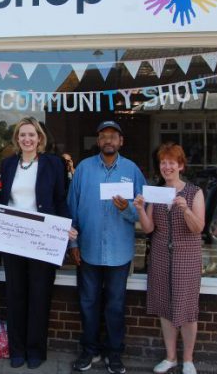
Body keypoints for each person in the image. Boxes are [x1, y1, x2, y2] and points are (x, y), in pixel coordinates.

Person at [68, 121, 147, 374]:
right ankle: (89, 351)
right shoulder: (84, 169)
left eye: (113, 136)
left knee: (115, 306)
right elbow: (72, 207)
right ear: (98, 141)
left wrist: (127, 209)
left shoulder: (132, 171)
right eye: (103, 136)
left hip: (119, 252)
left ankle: (114, 354)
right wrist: (73, 243)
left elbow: (144, 211)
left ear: (121, 141)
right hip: (88, 249)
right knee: (88, 303)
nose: (108, 140)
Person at [0, 116, 76, 370]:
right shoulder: (8, 164)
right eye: (22, 135)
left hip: (42, 239)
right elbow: (2, 198)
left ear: (39, 138)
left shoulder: (53, 164)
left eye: (31, 134)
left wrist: (67, 225)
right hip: (13, 239)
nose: (27, 139)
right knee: (15, 295)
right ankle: (17, 350)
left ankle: (35, 351)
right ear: (17, 139)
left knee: (40, 296)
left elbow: (60, 199)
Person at [134, 143, 205, 374]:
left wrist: (185, 209)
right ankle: (170, 357)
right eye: (163, 162)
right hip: (161, 254)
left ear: (181, 166)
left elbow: (198, 228)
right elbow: (148, 228)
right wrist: (140, 209)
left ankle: (188, 360)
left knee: (187, 309)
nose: (167, 167)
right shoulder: (156, 192)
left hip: (187, 255)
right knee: (164, 306)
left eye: (172, 162)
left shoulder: (194, 192)